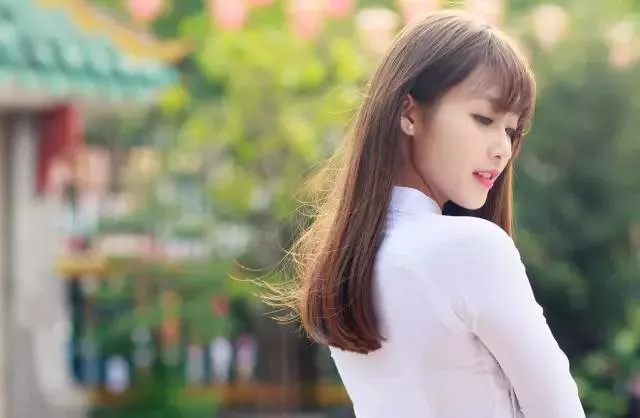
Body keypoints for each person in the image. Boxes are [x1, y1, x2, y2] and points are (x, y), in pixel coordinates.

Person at [265, 9, 586, 418]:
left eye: (511, 130)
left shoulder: (344, 266)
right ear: (409, 113)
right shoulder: (471, 249)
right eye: (484, 119)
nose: (503, 149)